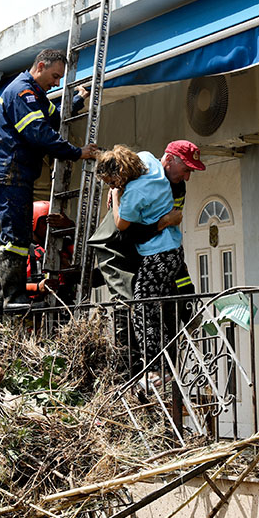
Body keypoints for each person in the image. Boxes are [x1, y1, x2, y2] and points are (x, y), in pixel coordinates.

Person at [0, 48, 97, 313]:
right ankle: (10, 299)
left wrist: (78, 100)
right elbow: (39, 133)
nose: (56, 83)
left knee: (15, 236)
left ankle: (5, 300)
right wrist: (77, 152)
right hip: (9, 172)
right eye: (55, 76)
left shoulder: (34, 93)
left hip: (13, 171)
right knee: (15, 238)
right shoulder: (23, 92)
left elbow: (54, 117)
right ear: (41, 66)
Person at [87, 140, 205, 368]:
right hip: (147, 252)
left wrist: (118, 193)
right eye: (186, 170)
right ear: (169, 159)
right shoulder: (142, 171)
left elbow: (137, 230)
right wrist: (117, 190)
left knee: (148, 307)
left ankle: (159, 365)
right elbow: (134, 234)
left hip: (157, 253)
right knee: (142, 306)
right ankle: (153, 365)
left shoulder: (167, 184)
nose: (187, 177)